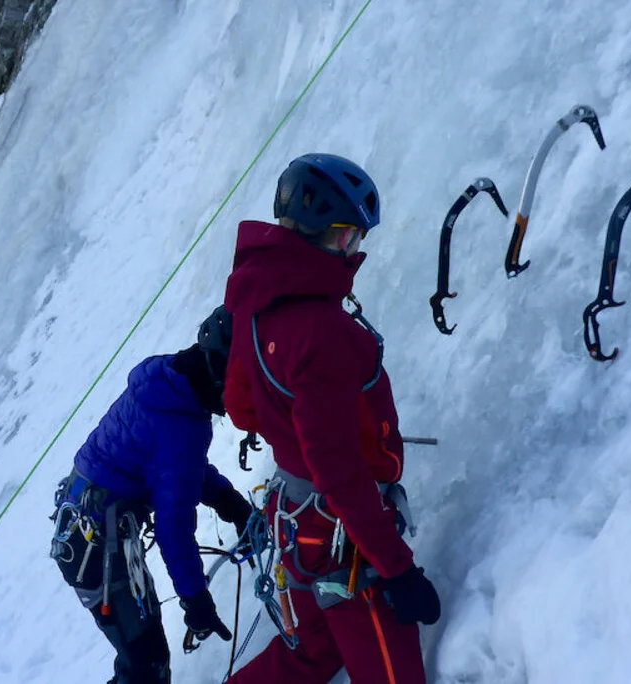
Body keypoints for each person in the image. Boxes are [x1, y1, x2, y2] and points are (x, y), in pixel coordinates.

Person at [222, 153, 441, 684]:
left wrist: (291, 426)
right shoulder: (323, 332)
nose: (357, 249)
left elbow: (240, 405)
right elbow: (338, 470)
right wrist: (397, 568)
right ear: (337, 235)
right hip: (341, 537)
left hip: (295, 522)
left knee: (311, 655)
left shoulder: (253, 303)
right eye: (354, 237)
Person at [50, 307, 254, 684]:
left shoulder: (169, 385)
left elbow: (174, 468)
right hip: (98, 545)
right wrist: (195, 600)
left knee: (142, 659)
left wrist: (229, 501)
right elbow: (173, 526)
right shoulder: (181, 425)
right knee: (146, 664)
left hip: (86, 531)